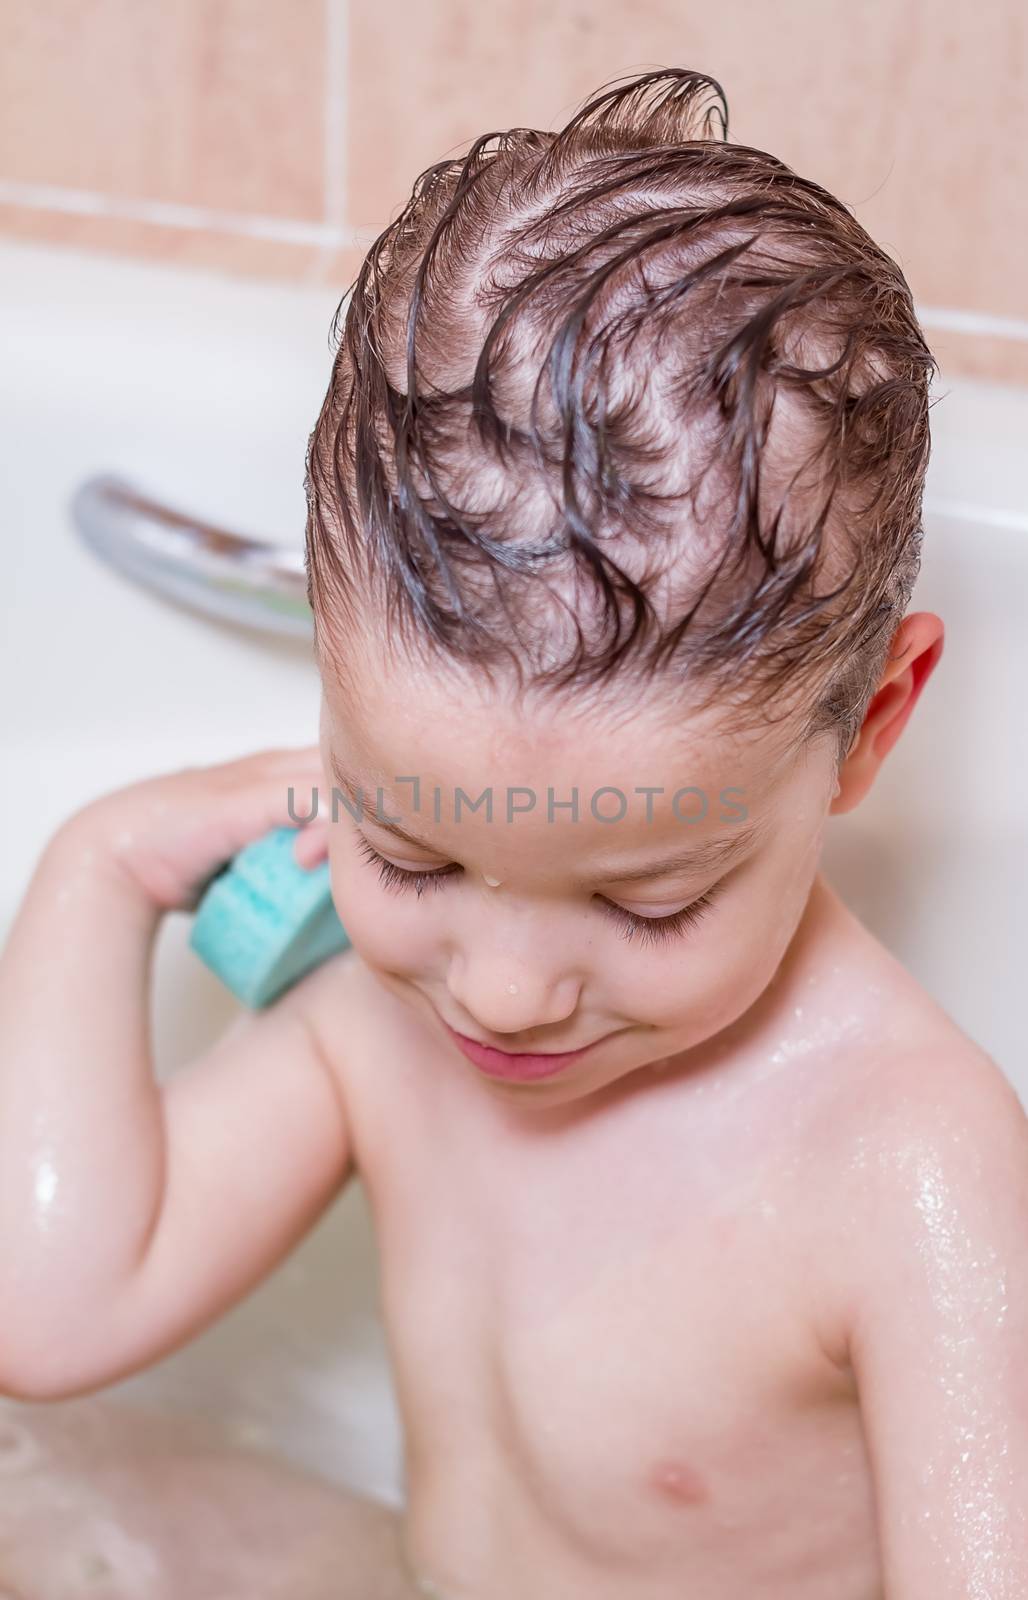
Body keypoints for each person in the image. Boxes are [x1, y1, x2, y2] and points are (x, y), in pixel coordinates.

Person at [2, 66, 1026, 1600]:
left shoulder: (904, 1168)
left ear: (870, 729)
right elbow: (52, 1312)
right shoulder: (380, 1011)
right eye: (413, 850)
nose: (502, 992)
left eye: (643, 901)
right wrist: (100, 861)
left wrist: (422, 849)